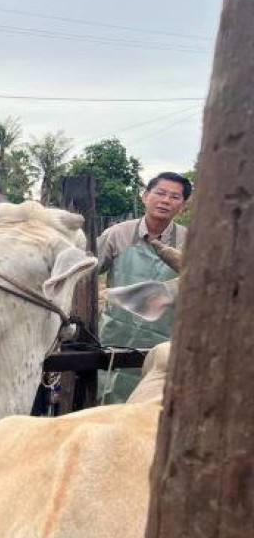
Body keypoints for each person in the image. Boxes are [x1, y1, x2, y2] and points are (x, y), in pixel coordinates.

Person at [96, 171, 191, 404]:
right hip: (115, 334)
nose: (165, 200)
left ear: (183, 206)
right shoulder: (117, 234)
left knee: (153, 405)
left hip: (164, 340)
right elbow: (86, 275)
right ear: (145, 196)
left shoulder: (191, 241)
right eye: (160, 193)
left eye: (174, 197)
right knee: (105, 399)